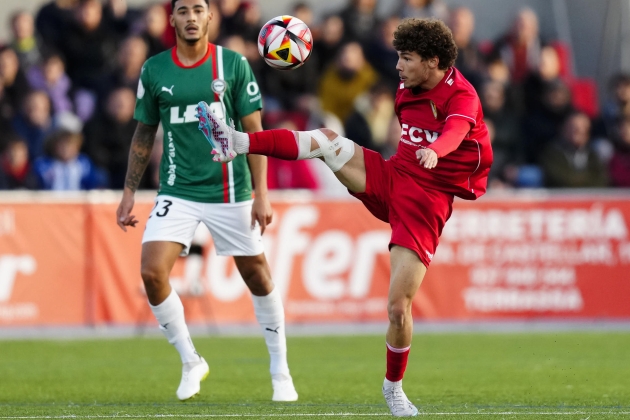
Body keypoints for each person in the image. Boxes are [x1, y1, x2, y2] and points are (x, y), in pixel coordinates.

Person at [196, 17, 493, 417]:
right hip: (395, 176)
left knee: (398, 308)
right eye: (398, 58)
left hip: (427, 202)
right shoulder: (408, 86)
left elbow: (456, 131)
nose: (398, 67)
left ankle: (393, 388)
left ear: (433, 61)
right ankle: (236, 141)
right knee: (326, 141)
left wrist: (437, 151)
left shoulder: (463, 97)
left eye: (406, 58)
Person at [115, 0, 298, 403]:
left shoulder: (232, 65)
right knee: (151, 273)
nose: (191, 18)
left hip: (231, 191)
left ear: (210, 16)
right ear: (173, 19)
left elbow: (256, 135)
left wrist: (261, 194)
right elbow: (145, 135)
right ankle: (190, 360)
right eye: (183, 10)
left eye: (199, 9)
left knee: (258, 277)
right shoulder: (154, 69)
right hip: (177, 190)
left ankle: (280, 370)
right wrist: (129, 192)